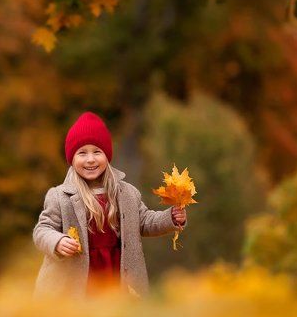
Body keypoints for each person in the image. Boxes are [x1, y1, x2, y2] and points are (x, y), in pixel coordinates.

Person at [32, 111, 187, 299]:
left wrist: (170, 217)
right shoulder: (60, 196)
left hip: (117, 276)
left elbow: (145, 221)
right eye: (82, 153)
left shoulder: (127, 193)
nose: (90, 159)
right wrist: (57, 241)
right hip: (77, 284)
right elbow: (42, 230)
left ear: (107, 155)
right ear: (72, 159)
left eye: (97, 152)